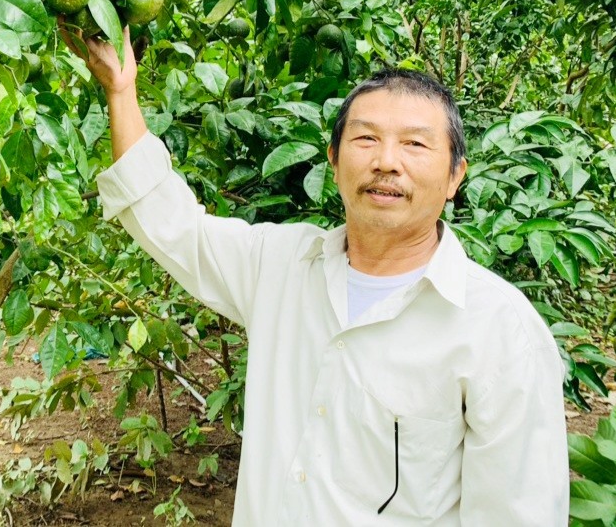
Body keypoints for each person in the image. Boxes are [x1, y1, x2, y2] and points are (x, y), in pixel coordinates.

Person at [63, 27, 569, 525]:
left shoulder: (500, 331)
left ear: (456, 175)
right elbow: (170, 222)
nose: (386, 162)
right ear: (333, 159)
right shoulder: (280, 265)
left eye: (415, 144)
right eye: (365, 139)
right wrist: (121, 90)